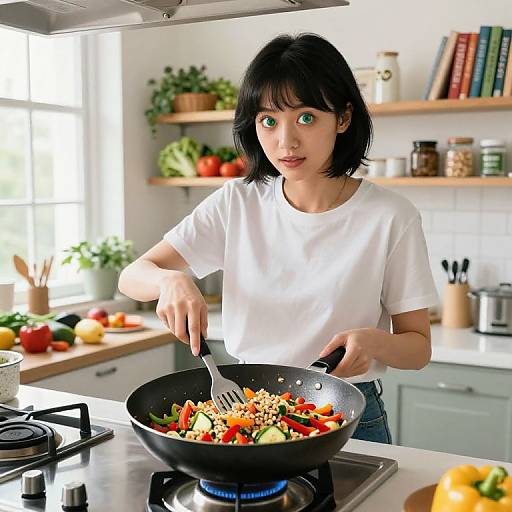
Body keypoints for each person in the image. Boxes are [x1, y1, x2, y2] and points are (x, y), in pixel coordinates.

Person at [119, 33, 438, 444]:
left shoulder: (391, 216)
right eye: (268, 120)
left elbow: (418, 348)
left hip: (346, 412)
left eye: (306, 117)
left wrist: (375, 342)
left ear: (342, 118)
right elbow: (132, 275)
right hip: (245, 407)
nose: (285, 141)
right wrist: (170, 280)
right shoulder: (237, 202)